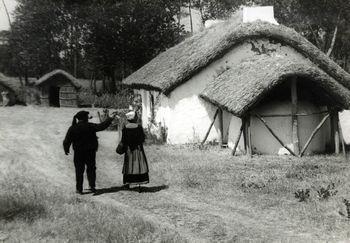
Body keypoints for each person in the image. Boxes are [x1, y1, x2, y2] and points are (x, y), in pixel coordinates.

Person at [63, 110, 117, 194]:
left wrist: (66, 149)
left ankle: (79, 189)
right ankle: (92, 186)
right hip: (90, 152)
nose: (88, 118)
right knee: (91, 169)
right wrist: (110, 118)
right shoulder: (90, 126)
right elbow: (102, 126)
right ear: (84, 118)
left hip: (78, 153)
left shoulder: (73, 128)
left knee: (79, 170)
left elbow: (67, 140)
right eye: (87, 116)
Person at [119, 111, 149, 190]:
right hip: (138, 150)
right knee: (139, 165)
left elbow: (123, 140)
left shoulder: (125, 128)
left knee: (129, 165)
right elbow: (142, 139)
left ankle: (128, 182)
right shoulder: (139, 127)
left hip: (129, 150)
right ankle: (139, 182)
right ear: (135, 118)